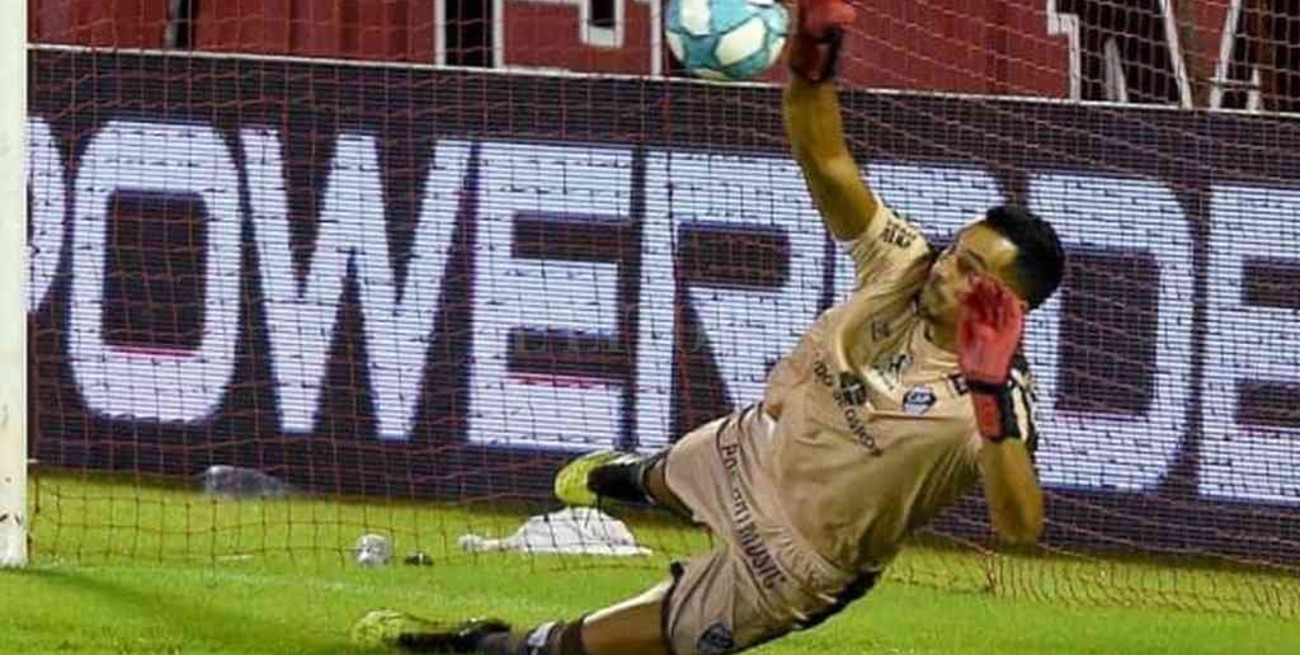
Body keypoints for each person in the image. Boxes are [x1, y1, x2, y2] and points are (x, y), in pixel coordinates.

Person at [351, 0, 1066, 653]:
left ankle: (493, 645)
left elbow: (1020, 525)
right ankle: (634, 477)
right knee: (649, 476)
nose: (946, 270)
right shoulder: (903, 266)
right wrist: (812, 66)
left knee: (575, 651)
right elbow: (826, 159)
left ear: (1012, 305)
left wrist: (990, 398)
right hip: (750, 448)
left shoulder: (994, 400)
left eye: (972, 271)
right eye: (956, 250)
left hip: (794, 559)